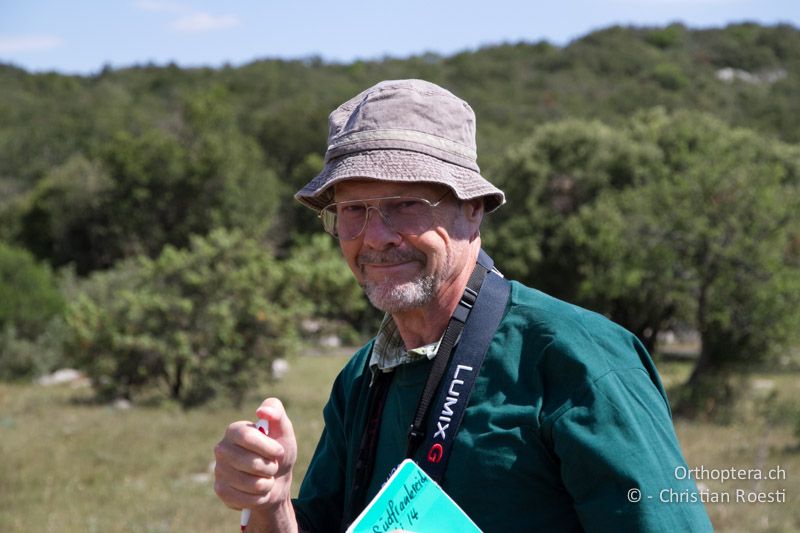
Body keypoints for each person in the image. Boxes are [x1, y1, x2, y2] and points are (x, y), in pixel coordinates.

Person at [213, 79, 712, 532]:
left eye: (405, 204)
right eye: (352, 210)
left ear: (473, 208)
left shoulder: (581, 361)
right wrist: (271, 504)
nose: (376, 237)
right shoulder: (361, 378)